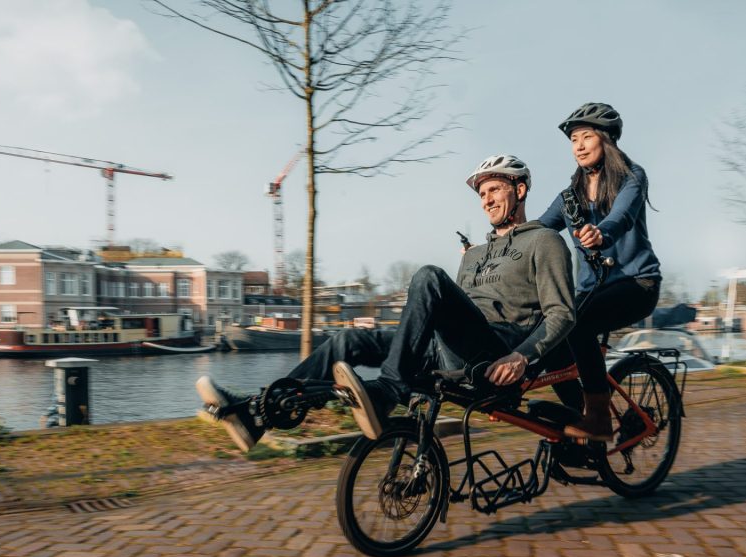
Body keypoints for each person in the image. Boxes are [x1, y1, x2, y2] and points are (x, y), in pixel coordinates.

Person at [196, 154, 576, 452]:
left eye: (494, 190)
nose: (486, 200)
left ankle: (387, 393)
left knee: (428, 275)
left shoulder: (544, 241)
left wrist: (522, 357)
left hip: (492, 357)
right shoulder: (474, 254)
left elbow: (561, 313)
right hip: (442, 350)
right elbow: (450, 313)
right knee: (347, 342)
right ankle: (260, 412)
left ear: (520, 190)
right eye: (482, 194)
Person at [539, 102, 662, 441]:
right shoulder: (570, 197)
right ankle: (583, 418)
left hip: (637, 283)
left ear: (606, 139)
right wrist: (495, 244)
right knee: (548, 338)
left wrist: (601, 232)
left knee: (577, 323)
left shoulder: (631, 177)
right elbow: (539, 230)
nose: (578, 145)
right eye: (573, 139)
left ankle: (598, 418)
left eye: (586, 136)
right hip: (592, 291)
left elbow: (620, 218)